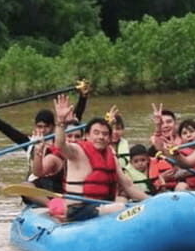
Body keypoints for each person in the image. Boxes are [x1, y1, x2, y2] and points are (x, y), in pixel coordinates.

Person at [52, 94, 150, 222]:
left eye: (105, 134)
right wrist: (60, 122)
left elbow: (128, 186)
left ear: (109, 138)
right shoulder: (77, 151)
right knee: (120, 207)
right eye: (96, 133)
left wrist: (152, 202)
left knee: (124, 203)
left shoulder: (111, 157)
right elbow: (60, 145)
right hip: (79, 209)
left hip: (101, 207)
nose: (101, 137)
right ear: (87, 135)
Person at [147, 104, 182, 192]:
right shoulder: (154, 148)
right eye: (162, 123)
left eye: (169, 122)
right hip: (163, 186)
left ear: (176, 124)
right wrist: (161, 177)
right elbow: (159, 147)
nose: (165, 125)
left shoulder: (187, 139)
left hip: (182, 184)